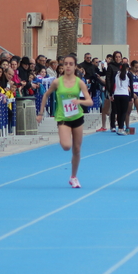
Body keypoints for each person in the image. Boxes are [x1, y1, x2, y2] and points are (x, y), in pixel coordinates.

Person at [36, 55, 93, 188]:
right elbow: (46, 95)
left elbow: (89, 101)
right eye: (66, 64)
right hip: (63, 118)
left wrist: (79, 101)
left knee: (77, 149)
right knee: (66, 146)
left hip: (77, 117)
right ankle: (65, 137)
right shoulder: (57, 82)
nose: (68, 66)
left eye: (70, 64)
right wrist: (40, 113)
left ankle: (73, 177)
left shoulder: (79, 82)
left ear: (75, 66)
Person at [111, 60, 133, 135]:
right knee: (124, 112)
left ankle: (120, 128)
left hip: (117, 94)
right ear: (127, 68)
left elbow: (112, 85)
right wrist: (132, 96)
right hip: (125, 94)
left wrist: (111, 94)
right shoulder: (129, 74)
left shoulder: (116, 74)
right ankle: (121, 128)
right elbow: (131, 86)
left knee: (119, 112)